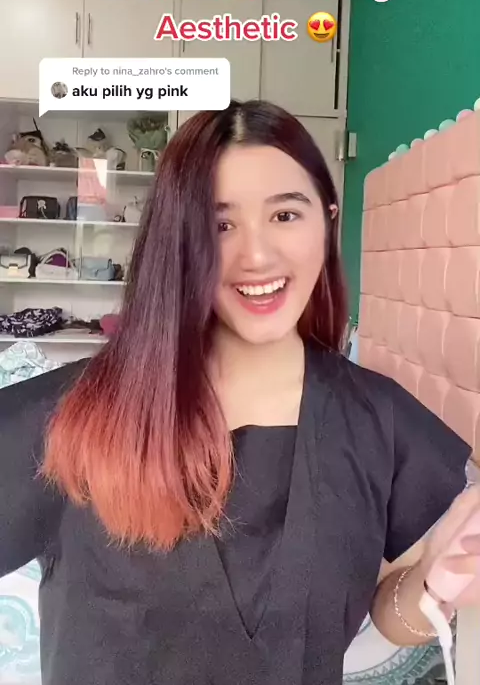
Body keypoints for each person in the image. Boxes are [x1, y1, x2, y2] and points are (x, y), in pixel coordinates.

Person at [0, 99, 478, 685]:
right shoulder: (67, 415)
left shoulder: (379, 419)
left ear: (328, 220)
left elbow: (390, 609)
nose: (257, 256)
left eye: (285, 215)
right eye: (220, 224)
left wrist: (434, 585)